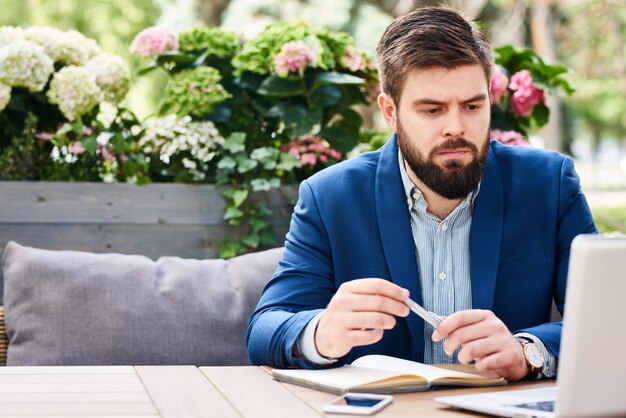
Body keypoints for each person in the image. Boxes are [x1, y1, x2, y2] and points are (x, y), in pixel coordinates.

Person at [246, 6, 597, 382]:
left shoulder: (549, 185)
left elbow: (606, 319)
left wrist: (528, 350)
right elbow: (266, 329)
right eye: (432, 110)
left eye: (472, 106)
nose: (456, 128)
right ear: (390, 112)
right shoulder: (330, 197)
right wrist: (321, 333)